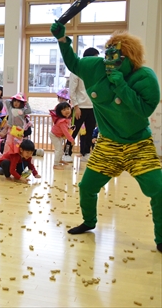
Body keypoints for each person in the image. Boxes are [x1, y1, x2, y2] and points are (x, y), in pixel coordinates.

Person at [51, 22, 162, 253]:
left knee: (158, 190)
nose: (111, 61)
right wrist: (62, 40)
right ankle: (89, 222)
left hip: (138, 145)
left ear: (130, 58)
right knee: (86, 186)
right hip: (108, 144)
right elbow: (73, 62)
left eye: (118, 57)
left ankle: (161, 238)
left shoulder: (145, 77)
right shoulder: (95, 68)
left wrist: (120, 84)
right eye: (109, 54)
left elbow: (143, 110)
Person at [63, 47, 100, 162]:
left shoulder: (95, 72)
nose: (96, 60)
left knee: (89, 132)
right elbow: (72, 91)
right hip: (79, 107)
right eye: (95, 57)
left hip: (92, 106)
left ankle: (86, 152)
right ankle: (67, 153)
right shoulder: (76, 70)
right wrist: (76, 106)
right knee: (73, 131)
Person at [49, 102, 74, 170]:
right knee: (58, 149)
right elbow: (65, 132)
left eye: (68, 108)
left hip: (58, 135)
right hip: (54, 135)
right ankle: (55, 164)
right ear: (60, 112)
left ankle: (59, 159)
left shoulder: (67, 119)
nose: (67, 111)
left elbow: (67, 128)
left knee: (60, 149)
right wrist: (71, 140)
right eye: (64, 110)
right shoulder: (62, 121)